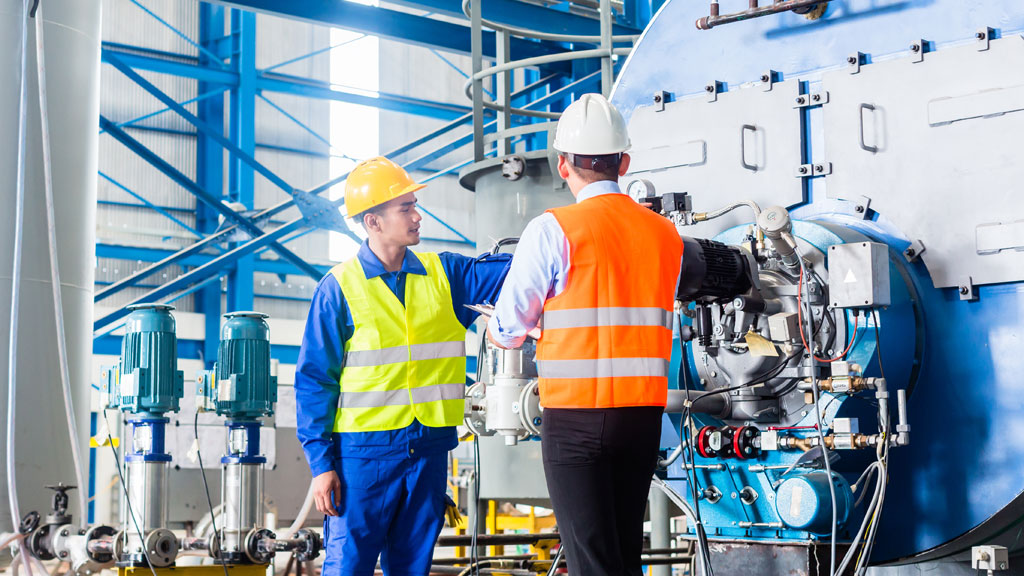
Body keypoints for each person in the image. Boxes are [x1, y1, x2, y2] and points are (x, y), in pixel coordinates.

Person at [486, 93, 683, 576]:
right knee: (622, 557)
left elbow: (510, 327)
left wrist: (509, 330)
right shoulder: (666, 235)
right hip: (641, 418)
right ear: (625, 161)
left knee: (591, 560)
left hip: (575, 419)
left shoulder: (552, 229)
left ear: (562, 165)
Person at [295, 157, 510, 576]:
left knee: (413, 568)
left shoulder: (445, 275)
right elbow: (314, 381)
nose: (417, 216)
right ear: (373, 222)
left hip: (428, 452)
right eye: (406, 209)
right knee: (348, 566)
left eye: (415, 205)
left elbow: (515, 273)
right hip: (362, 457)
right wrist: (321, 465)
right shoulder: (338, 288)